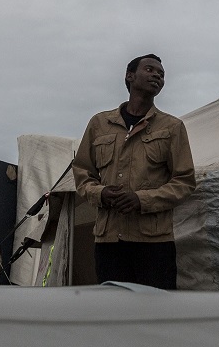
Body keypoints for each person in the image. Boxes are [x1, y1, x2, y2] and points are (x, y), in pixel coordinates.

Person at [72, 53, 197, 289]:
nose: (157, 76)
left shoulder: (172, 127)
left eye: (161, 74)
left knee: (155, 315)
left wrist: (141, 200)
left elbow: (185, 182)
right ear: (130, 76)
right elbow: (82, 173)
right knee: (113, 313)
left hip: (154, 244)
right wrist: (101, 193)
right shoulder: (99, 124)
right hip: (109, 241)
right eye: (150, 70)